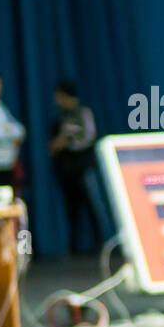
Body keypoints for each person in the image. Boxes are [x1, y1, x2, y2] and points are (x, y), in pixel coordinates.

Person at [48, 81, 105, 255]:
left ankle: (100, 243)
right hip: (66, 171)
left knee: (91, 206)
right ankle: (74, 247)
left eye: (58, 96)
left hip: (83, 168)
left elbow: (89, 137)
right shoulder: (59, 118)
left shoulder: (83, 113)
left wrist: (68, 143)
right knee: (71, 209)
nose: (56, 100)